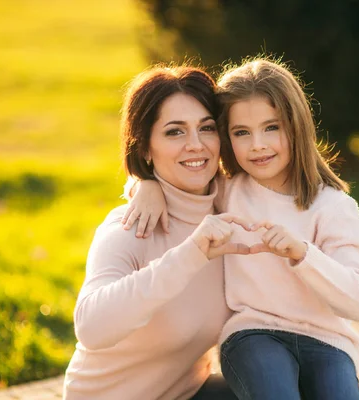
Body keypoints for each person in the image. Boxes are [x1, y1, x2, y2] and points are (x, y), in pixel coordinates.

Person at [123, 58, 359, 399]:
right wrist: (145, 184)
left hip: (327, 343)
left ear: (297, 127)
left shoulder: (334, 207)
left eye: (272, 127)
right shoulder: (228, 190)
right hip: (252, 335)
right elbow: (178, 180)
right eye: (242, 132)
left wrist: (302, 254)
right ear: (227, 137)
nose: (257, 144)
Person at [63, 65, 247, 400]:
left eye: (206, 128)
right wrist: (190, 255)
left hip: (188, 393)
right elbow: (90, 328)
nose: (196, 145)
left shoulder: (230, 206)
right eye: (175, 132)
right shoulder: (131, 227)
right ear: (146, 148)